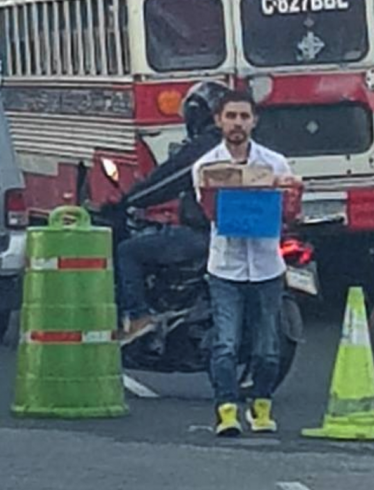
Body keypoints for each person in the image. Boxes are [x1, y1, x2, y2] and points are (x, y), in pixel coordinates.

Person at [192, 90, 296, 437]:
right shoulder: (205, 167)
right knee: (226, 343)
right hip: (225, 267)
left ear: (254, 121)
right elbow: (210, 211)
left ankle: (261, 405)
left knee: (268, 348)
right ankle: (226, 410)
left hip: (267, 266)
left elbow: (289, 209)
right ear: (219, 121)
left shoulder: (276, 163)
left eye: (244, 116)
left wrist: (287, 190)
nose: (238, 123)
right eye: (231, 116)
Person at [115, 82, 230, 343]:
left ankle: (138, 317)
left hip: (206, 234)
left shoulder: (206, 147)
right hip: (248, 234)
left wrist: (131, 199)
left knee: (128, 252)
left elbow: (166, 181)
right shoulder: (253, 148)